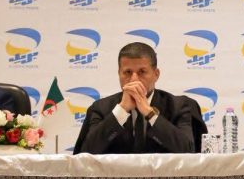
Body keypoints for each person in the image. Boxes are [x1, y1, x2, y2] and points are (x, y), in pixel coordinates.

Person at [74, 42, 205, 154]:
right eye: (127, 72)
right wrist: (121, 111)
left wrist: (149, 113)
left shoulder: (180, 106)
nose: (134, 79)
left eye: (142, 72)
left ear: (156, 74)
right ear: (119, 74)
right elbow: (85, 155)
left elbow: (189, 152)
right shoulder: (101, 108)